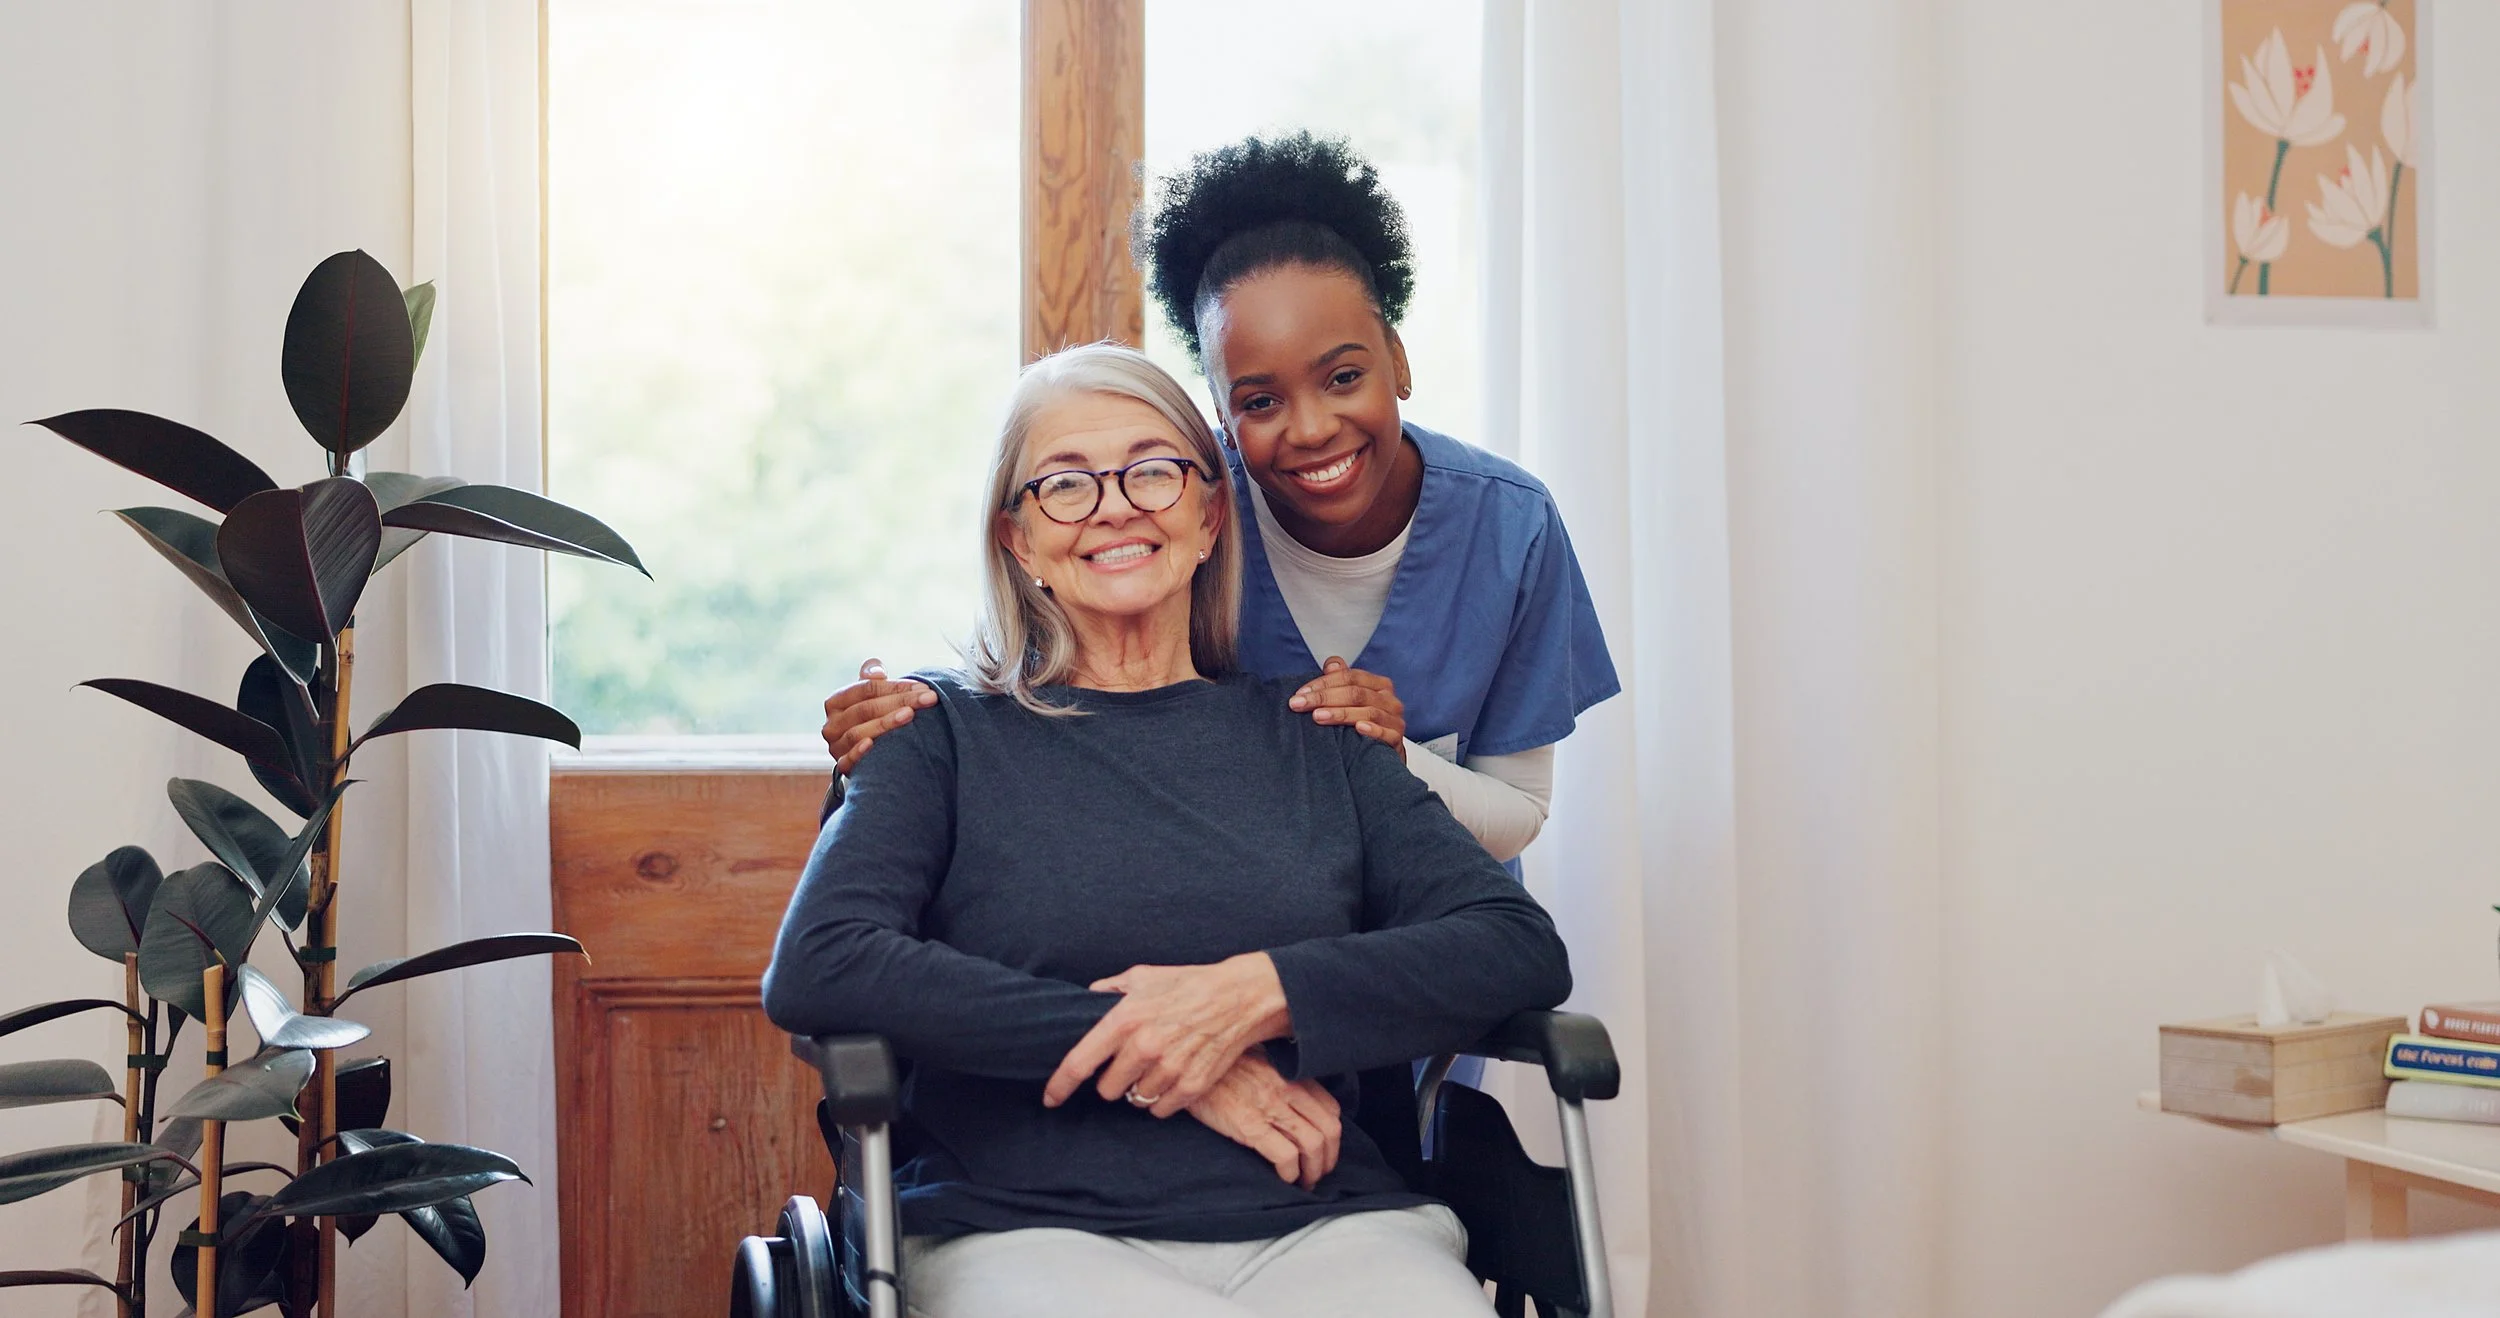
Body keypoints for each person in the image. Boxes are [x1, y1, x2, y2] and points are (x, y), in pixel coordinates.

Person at [762, 343, 1571, 1318]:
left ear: (1206, 512)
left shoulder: (1320, 734)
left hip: (1327, 1224)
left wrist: (1253, 994)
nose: (1114, 505)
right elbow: (824, 962)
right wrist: (1159, 1049)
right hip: (1026, 1228)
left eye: (1151, 470)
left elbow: (1514, 947)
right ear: (1016, 539)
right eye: (1063, 483)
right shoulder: (932, 734)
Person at [822, 132, 1617, 869]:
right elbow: (1053, 688)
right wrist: (919, 716)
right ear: (1219, 416)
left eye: (1345, 377)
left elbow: (1518, 810)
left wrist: (1388, 750)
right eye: (1259, 401)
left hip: (1437, 922)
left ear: (1398, 362)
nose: (1311, 428)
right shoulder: (1172, 512)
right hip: (1243, 916)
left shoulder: (1512, 528)